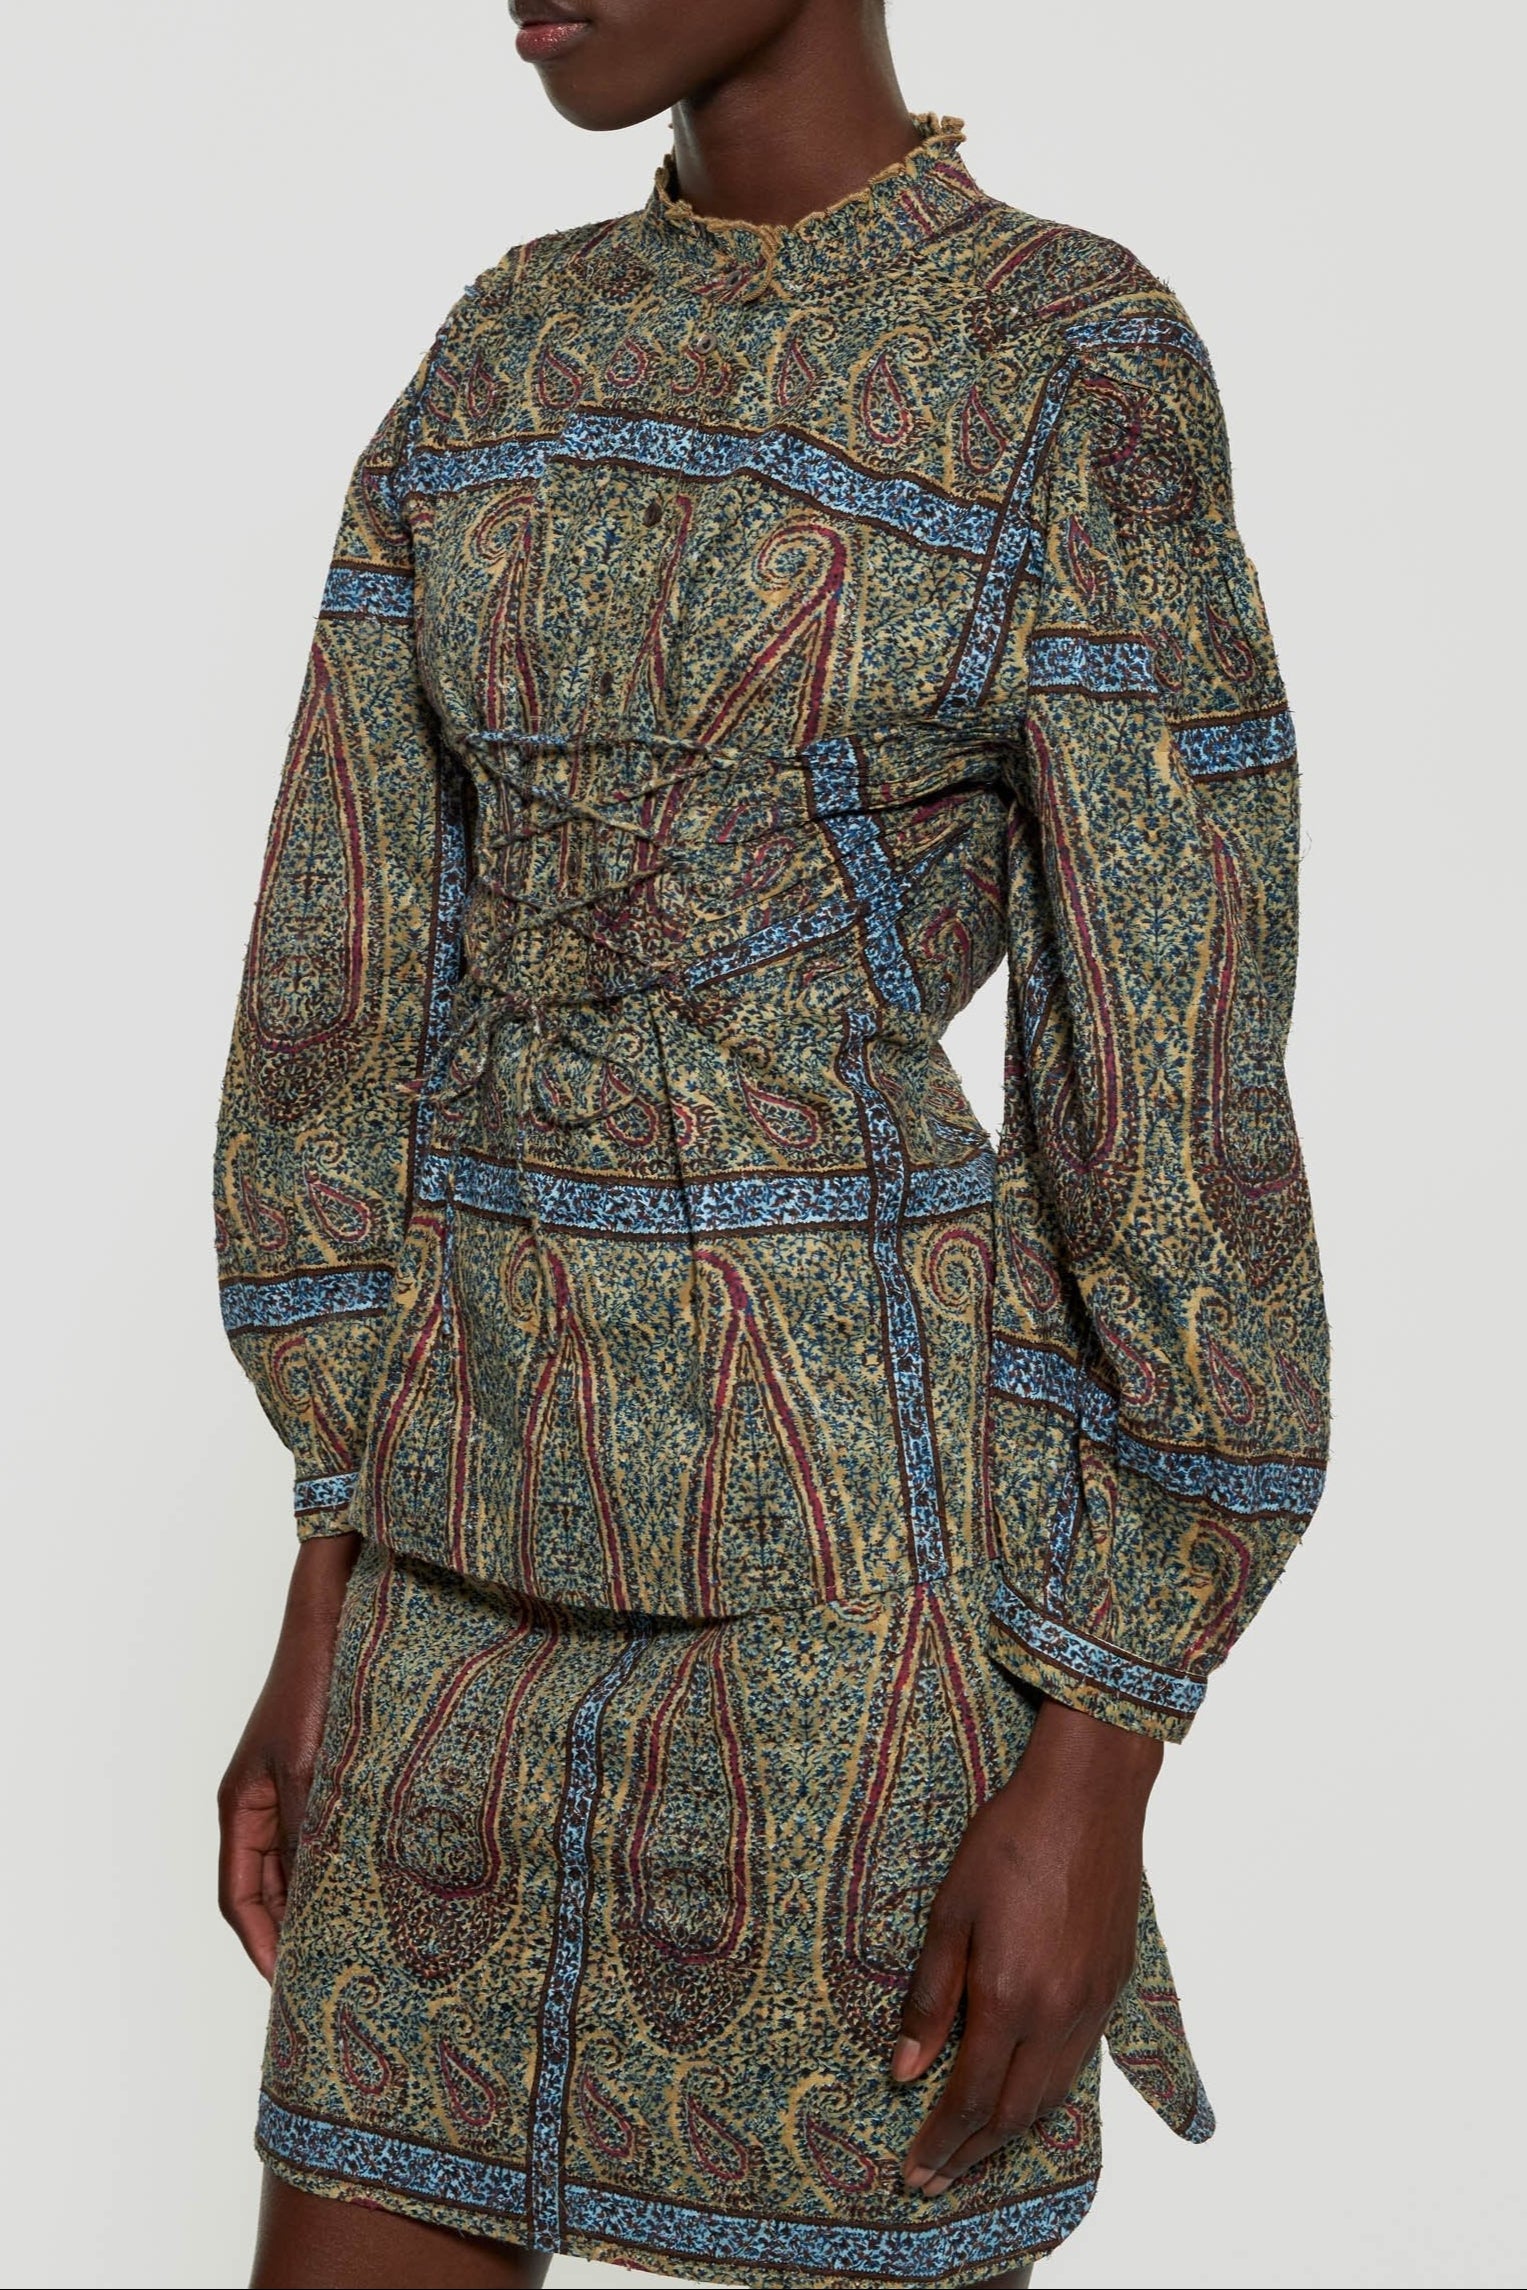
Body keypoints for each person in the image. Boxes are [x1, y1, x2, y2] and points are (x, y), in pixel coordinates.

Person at [213, 2, 1329, 2285]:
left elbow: (1175, 1085)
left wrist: (1102, 1750)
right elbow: (344, 980)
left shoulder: (1062, 360)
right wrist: (328, 1565)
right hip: (445, 1600)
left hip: (860, 1632)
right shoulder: (503, 356)